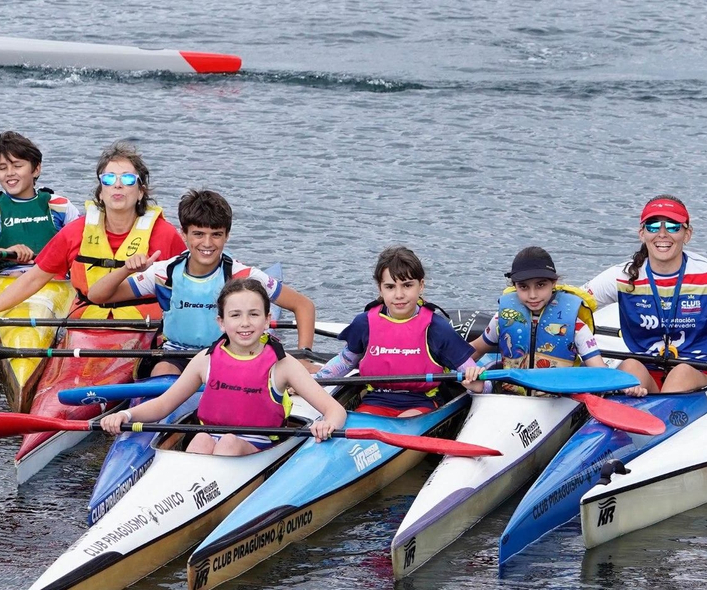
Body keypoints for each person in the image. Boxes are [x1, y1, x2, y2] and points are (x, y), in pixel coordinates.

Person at [85, 189, 320, 375]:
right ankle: (160, 427)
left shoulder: (243, 275)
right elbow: (97, 296)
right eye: (198, 234)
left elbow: (303, 306)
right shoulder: (163, 272)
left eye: (216, 234)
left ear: (226, 235)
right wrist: (125, 269)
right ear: (183, 234)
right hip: (176, 356)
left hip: (229, 354)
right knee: (162, 370)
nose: (207, 243)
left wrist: (302, 356)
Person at [99, 279, 347, 455]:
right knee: (200, 440)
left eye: (254, 314)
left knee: (227, 442)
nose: (245, 323)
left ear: (267, 320)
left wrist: (327, 424)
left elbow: (335, 411)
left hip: (257, 447)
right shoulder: (204, 360)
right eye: (236, 315)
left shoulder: (283, 365)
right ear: (221, 322)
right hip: (210, 442)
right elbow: (164, 404)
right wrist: (126, 415)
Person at [0, 142, 185, 320]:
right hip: (87, 326)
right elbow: (33, 279)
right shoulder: (76, 232)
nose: (118, 185)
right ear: (101, 193)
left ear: (140, 192)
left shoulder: (165, 235)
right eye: (109, 179)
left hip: (143, 329)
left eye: (128, 179)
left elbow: (194, 286)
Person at [584, 196, 707, 393]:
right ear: (642, 234)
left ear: (687, 234)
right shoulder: (621, 277)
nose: (662, 234)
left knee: (681, 372)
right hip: (647, 368)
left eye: (672, 226)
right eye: (653, 226)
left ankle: (650, 412)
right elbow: (570, 305)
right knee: (630, 366)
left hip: (701, 373)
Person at [314, 246, 483, 416]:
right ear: (380, 288)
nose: (399, 294)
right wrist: (312, 382)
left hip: (421, 404)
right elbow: (345, 362)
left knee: (405, 420)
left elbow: (479, 380)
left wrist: (477, 385)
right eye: (390, 287)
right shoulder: (364, 323)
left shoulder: (437, 329)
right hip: (374, 401)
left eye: (407, 285)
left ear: (421, 286)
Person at [464, 246, 645, 396]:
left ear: (554, 283)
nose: (533, 295)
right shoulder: (502, 319)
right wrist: (458, 366)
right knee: (479, 384)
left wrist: (624, 386)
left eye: (541, 285)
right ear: (514, 286)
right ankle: (482, 389)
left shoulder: (576, 326)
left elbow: (599, 371)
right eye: (524, 287)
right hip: (511, 399)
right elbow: (474, 351)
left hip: (557, 402)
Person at [0, 131, 80, 271]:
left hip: (54, 279)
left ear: (36, 169)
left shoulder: (60, 205)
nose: (10, 173)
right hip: (10, 278)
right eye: (3, 168)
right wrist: (5, 253)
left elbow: (85, 245)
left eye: (17, 166)